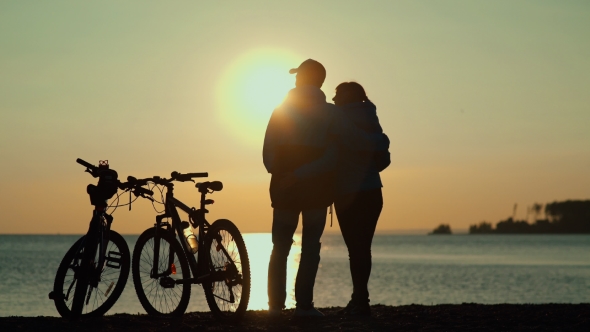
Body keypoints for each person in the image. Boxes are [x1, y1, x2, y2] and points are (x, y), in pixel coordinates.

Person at [263, 60, 378, 317]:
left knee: (280, 246)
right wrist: (381, 141)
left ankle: (274, 307)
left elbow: (268, 152)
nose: (295, 80)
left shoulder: (280, 110)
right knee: (311, 246)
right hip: (316, 188)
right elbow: (338, 152)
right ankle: (303, 306)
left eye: (298, 76)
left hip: (283, 188)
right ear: (321, 82)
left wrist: (283, 175)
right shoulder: (331, 113)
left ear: (302, 79)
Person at [332, 82, 385, 316]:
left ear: (346, 97)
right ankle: (361, 298)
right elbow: (383, 157)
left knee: (355, 249)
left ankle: (360, 300)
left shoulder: (336, 118)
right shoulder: (371, 117)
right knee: (364, 248)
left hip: (347, 193)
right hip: (373, 190)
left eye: (337, 95)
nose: (333, 99)